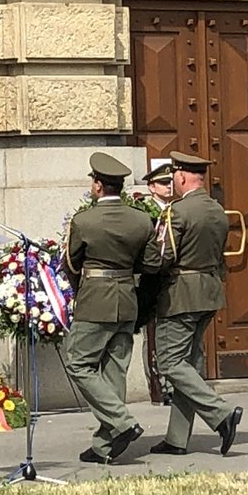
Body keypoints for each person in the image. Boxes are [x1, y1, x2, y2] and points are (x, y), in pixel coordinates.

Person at [143, 151, 242, 456]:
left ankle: (221, 413)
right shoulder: (216, 210)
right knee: (189, 364)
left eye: (174, 175)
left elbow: (162, 257)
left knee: (171, 362)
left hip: (182, 294)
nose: (173, 180)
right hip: (209, 291)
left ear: (182, 176)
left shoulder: (178, 211)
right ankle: (176, 439)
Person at [63, 152, 153, 464]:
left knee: (78, 362)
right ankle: (106, 444)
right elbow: (150, 262)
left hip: (95, 298)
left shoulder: (84, 220)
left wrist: (81, 291)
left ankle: (122, 422)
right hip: (127, 297)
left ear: (99, 186)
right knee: (115, 369)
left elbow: (72, 263)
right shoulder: (142, 220)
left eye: (93, 180)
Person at [138, 163, 175, 406]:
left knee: (170, 334)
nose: (169, 186)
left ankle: (173, 384)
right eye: (163, 183)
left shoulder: (179, 209)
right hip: (151, 279)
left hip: (173, 280)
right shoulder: (144, 210)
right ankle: (157, 385)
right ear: (152, 187)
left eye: (171, 182)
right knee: (150, 336)